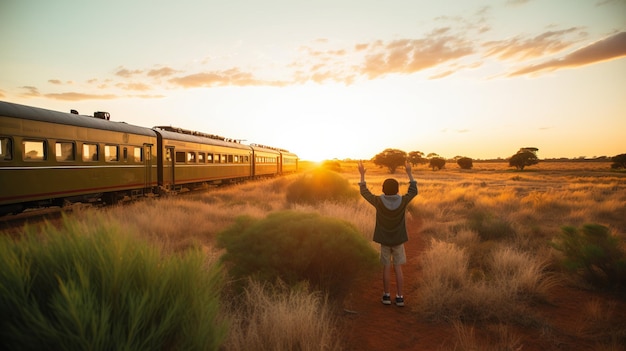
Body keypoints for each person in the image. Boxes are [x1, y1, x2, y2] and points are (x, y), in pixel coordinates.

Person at [358, 160, 418, 307]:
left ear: (383, 189)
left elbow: (364, 192)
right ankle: (400, 297)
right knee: (398, 268)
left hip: (384, 240)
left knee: (386, 267)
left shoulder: (378, 201)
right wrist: (409, 173)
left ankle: (386, 296)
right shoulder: (403, 200)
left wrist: (362, 176)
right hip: (398, 241)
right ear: (397, 189)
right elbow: (413, 191)